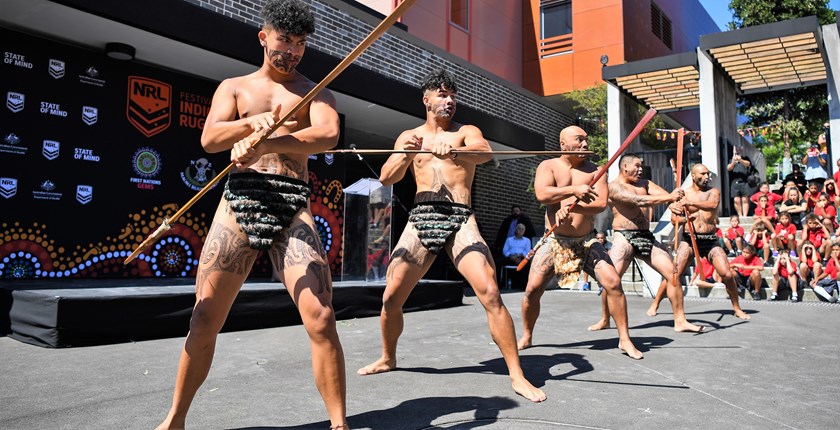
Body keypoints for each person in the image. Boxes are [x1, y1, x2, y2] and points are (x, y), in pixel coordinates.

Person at [154, 3, 348, 430]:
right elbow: (210, 137)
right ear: (264, 37)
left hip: (292, 202)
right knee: (204, 316)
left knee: (321, 315)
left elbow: (327, 135)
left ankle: (339, 424)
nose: (293, 51)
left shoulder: (315, 92)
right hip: (240, 201)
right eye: (285, 40)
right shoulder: (235, 87)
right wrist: (251, 126)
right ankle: (175, 419)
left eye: (300, 43)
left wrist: (271, 140)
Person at [356, 69, 546, 403]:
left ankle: (517, 374)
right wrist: (407, 152)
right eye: (442, 94)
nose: (449, 100)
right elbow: (386, 177)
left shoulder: (466, 132)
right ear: (426, 99)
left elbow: (485, 153)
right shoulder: (409, 136)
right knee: (390, 298)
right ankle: (388, 357)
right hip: (421, 216)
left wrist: (454, 152)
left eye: (452, 95)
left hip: (460, 217)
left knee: (489, 289)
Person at [517, 126, 643, 359]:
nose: (585, 144)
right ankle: (527, 334)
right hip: (555, 239)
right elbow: (543, 195)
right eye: (579, 140)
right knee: (532, 289)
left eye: (586, 140)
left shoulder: (596, 171)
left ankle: (624, 339)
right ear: (563, 144)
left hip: (586, 241)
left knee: (613, 283)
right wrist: (574, 192)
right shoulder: (549, 166)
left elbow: (601, 203)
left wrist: (574, 204)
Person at [586, 154, 703, 334]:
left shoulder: (645, 184)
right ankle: (605, 319)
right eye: (637, 166)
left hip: (646, 237)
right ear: (625, 167)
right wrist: (669, 199)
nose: (641, 170)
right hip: (624, 237)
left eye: (642, 166)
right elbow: (638, 201)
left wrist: (675, 203)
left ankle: (680, 321)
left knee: (672, 273)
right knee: (610, 280)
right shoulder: (613, 187)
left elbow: (665, 196)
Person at [650, 164, 751, 319]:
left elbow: (712, 205)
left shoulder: (713, 192)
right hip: (689, 241)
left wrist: (689, 204)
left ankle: (736, 307)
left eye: (707, 174)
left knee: (727, 274)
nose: (706, 177)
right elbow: (673, 219)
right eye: (702, 174)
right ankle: (655, 303)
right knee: (673, 274)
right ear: (693, 175)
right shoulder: (683, 195)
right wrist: (685, 218)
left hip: (710, 240)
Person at [502, 223, 531, 289]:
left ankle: (523, 286)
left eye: (522, 229)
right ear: (516, 230)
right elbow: (505, 250)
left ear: (524, 231)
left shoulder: (527, 240)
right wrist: (511, 256)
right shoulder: (509, 239)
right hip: (510, 258)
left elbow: (527, 252)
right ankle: (499, 284)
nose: (521, 230)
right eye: (519, 228)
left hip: (521, 258)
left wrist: (518, 255)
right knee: (497, 262)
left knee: (527, 263)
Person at [728, 151, 753, 217]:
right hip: (735, 182)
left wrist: (740, 160)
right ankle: (740, 215)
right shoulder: (731, 160)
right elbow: (729, 168)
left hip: (744, 182)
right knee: (736, 200)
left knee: (745, 199)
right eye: (736, 152)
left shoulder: (745, 158)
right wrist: (733, 162)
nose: (737, 153)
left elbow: (747, 164)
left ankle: (745, 215)